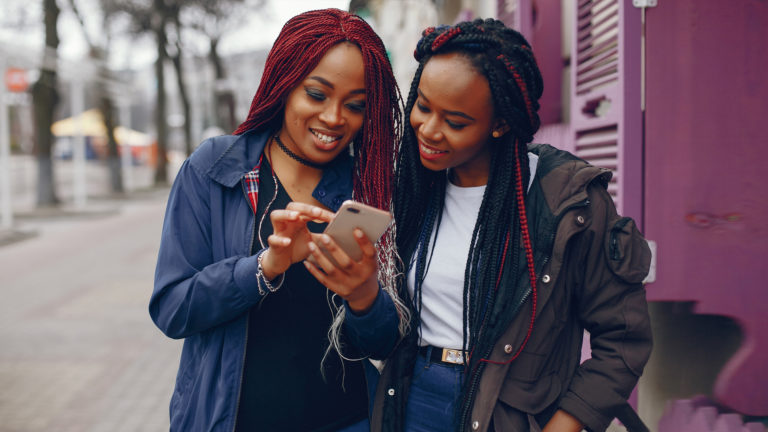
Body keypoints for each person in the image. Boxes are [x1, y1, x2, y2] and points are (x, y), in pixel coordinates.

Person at [301, 18, 653, 432]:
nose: (429, 131)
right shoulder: (410, 190)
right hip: (412, 401)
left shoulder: (567, 203)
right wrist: (359, 290)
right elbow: (384, 332)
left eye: (456, 122)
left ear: (500, 123)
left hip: (511, 412)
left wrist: (567, 424)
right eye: (423, 106)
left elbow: (623, 340)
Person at [149, 8, 409, 431]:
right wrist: (264, 267)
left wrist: (364, 296)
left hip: (350, 421)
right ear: (285, 83)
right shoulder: (216, 169)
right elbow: (173, 309)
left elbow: (382, 343)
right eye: (317, 94)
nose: (334, 118)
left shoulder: (371, 189)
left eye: (356, 104)